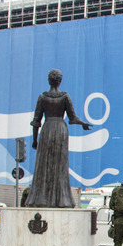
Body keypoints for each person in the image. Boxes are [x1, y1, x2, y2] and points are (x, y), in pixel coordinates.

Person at [25, 69, 92, 208]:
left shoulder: (43, 97)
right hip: (60, 130)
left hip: (47, 128)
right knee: (60, 164)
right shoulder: (64, 97)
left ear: (49, 80)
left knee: (44, 164)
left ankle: (41, 198)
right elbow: (73, 118)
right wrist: (83, 124)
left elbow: (36, 121)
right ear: (60, 81)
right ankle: (62, 199)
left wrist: (34, 140)